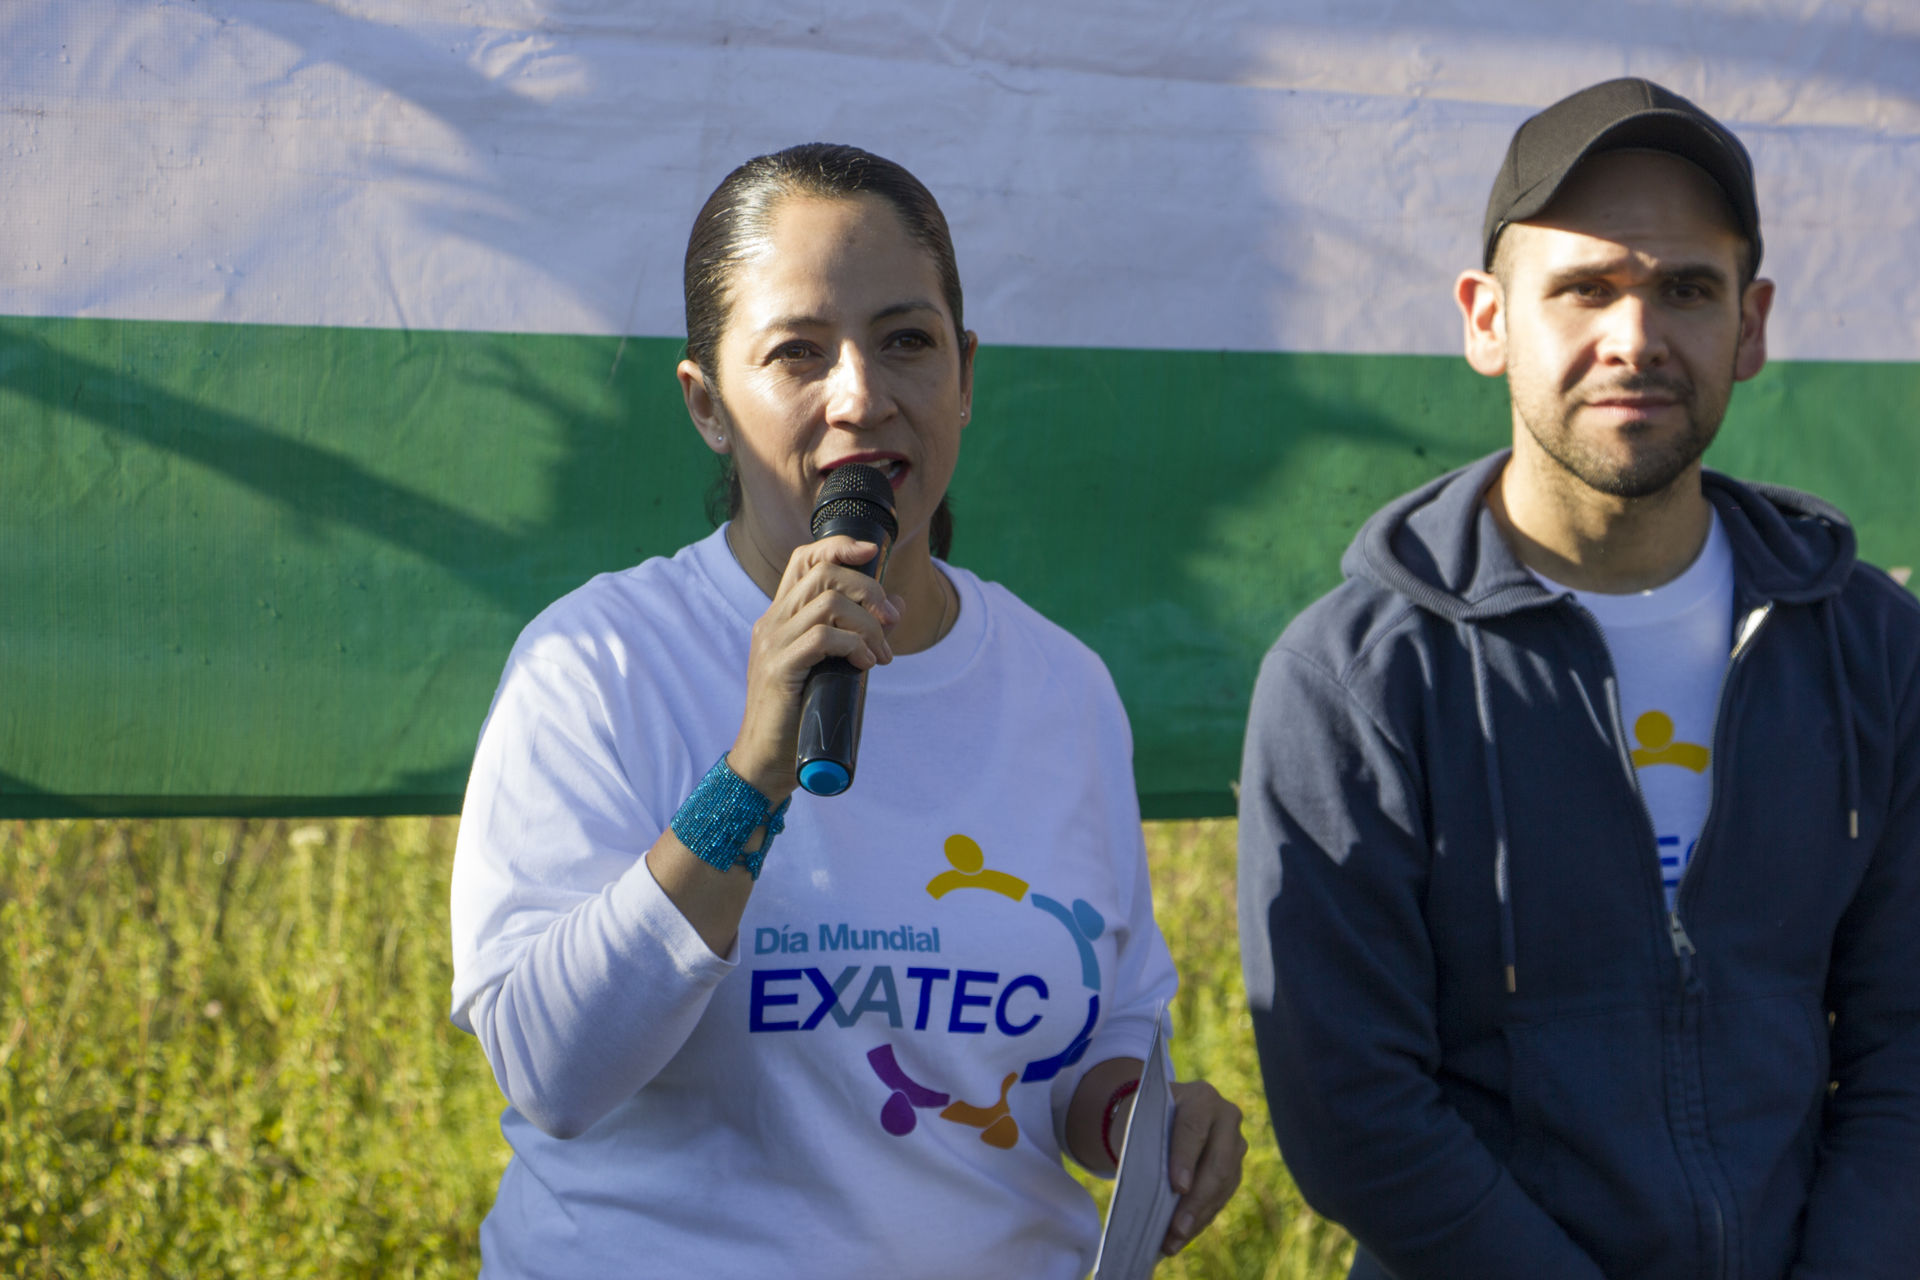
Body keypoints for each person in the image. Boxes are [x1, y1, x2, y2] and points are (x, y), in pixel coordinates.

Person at [449, 142, 1244, 1277]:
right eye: (797, 353)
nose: (862, 396)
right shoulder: (600, 661)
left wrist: (1138, 1116)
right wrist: (752, 774)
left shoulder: (1062, 685)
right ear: (707, 404)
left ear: (965, 376)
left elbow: (1097, 1033)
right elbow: (551, 1071)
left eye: (907, 340)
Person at [1237, 77, 1920, 1279]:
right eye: (1585, 288)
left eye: (1687, 290)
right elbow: (1355, 1113)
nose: (1637, 337)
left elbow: (1905, 1045)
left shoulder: (1874, 648)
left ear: (1751, 326)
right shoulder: (1352, 678)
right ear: (1487, 319)